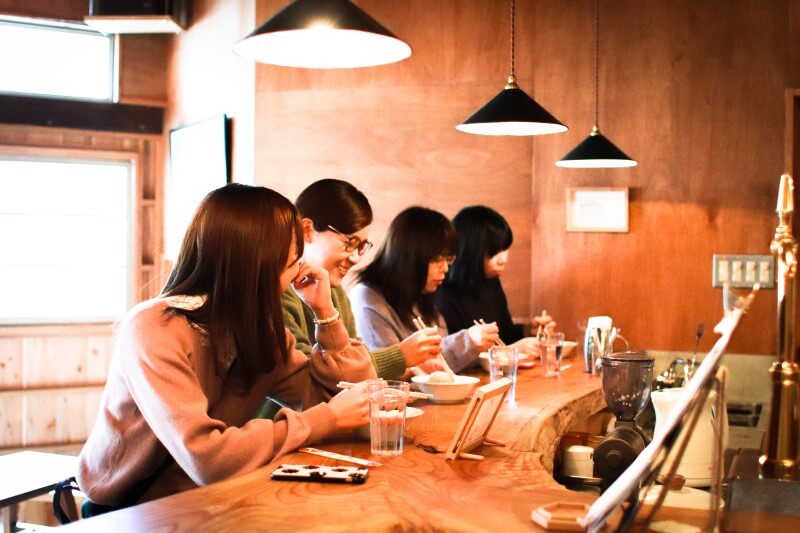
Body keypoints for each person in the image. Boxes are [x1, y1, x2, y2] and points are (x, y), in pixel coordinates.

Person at [77, 184, 375, 509]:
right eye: (291, 263)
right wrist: (326, 419)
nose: (299, 274)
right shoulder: (154, 329)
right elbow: (209, 459)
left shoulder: (259, 328)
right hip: (130, 509)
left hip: (208, 499)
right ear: (254, 267)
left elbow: (353, 398)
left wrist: (325, 314)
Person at [282, 179, 443, 380]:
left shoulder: (336, 292)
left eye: (361, 247)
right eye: (350, 243)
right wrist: (400, 356)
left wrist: (400, 374)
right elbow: (307, 377)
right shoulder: (280, 291)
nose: (356, 258)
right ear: (307, 230)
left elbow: (353, 357)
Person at [350, 206, 499, 373]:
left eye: (448, 258)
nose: (445, 268)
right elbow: (391, 374)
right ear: (409, 257)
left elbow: (438, 364)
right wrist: (468, 341)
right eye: (436, 259)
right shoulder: (368, 299)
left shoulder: (420, 295)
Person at [435, 205, 549, 357]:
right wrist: (510, 351)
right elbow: (453, 354)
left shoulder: (490, 282)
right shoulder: (442, 292)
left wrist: (528, 330)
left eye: (504, 250)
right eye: (494, 252)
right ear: (472, 251)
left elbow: (503, 334)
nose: (503, 259)